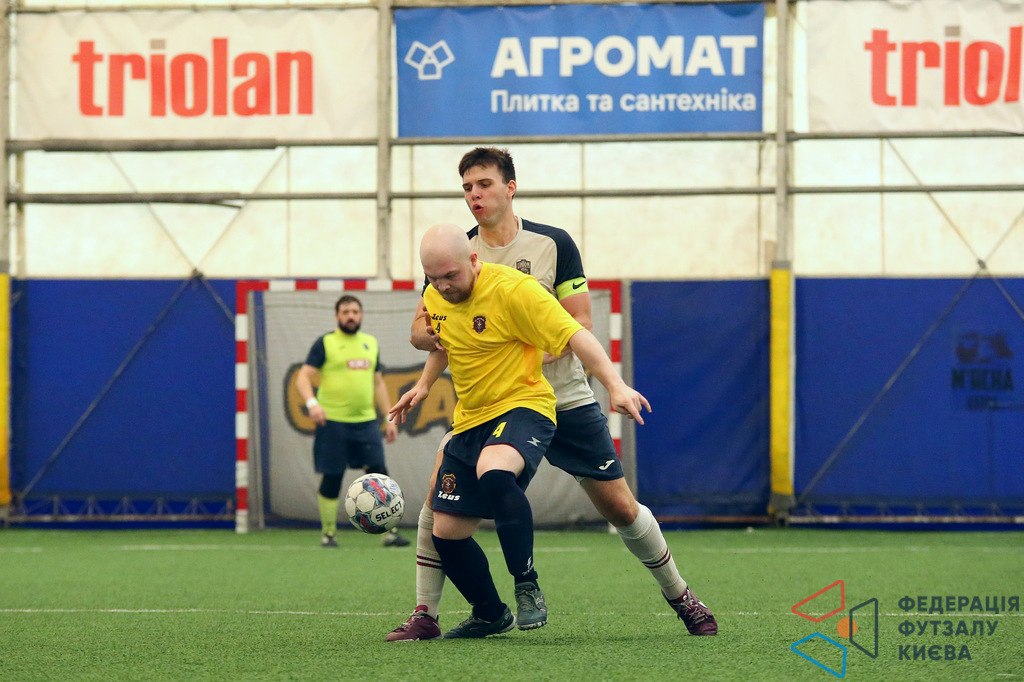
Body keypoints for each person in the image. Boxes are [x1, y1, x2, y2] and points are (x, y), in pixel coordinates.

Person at [386, 147, 716, 641]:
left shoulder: (552, 243)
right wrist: (425, 363)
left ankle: (682, 595)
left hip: (561, 396)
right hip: (490, 405)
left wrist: (523, 352)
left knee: (620, 508)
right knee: (440, 503)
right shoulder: (450, 253)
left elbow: (578, 322)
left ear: (510, 187)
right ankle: (427, 613)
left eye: (484, 184)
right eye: (467, 187)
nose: (475, 195)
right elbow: (428, 328)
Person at [388, 223, 650, 639]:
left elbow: (576, 333)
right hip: (471, 418)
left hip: (525, 405)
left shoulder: (515, 290)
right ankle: (490, 613)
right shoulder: (436, 295)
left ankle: (527, 584)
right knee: (446, 534)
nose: (442, 286)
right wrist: (422, 385)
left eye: (450, 275)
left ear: (474, 260)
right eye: (433, 278)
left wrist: (615, 385)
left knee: (494, 471)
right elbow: (445, 343)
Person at [295, 294, 409, 549]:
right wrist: (313, 404)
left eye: (355, 312)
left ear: (361, 315)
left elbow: (378, 383)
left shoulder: (370, 342)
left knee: (379, 476)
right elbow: (303, 377)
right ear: (337, 316)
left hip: (366, 423)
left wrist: (389, 419)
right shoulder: (325, 343)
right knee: (332, 476)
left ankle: (389, 533)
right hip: (333, 423)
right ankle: (328, 534)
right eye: (346, 312)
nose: (351, 316)